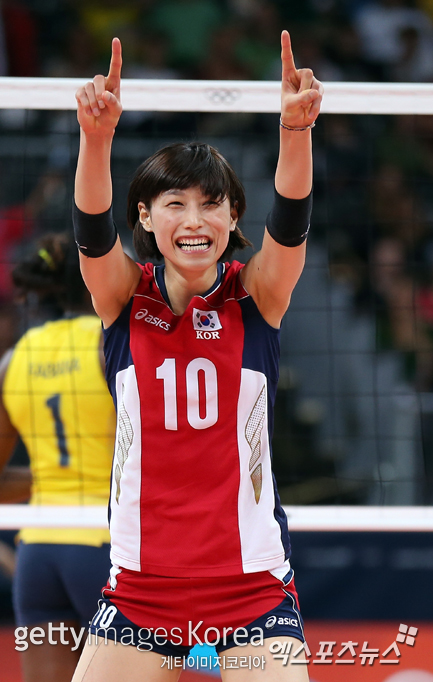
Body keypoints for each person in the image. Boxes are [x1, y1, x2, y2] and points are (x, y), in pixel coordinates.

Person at [71, 31, 322, 682]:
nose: (194, 218)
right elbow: (92, 237)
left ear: (234, 216)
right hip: (139, 593)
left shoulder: (256, 295)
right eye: (174, 203)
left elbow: (290, 227)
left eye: (212, 203)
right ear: (147, 219)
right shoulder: (125, 299)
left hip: (250, 593)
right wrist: (95, 140)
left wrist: (295, 134)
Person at [0, 233, 116, 682]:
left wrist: (48, 478)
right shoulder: (113, 344)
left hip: (39, 554)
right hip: (106, 549)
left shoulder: (13, 359)